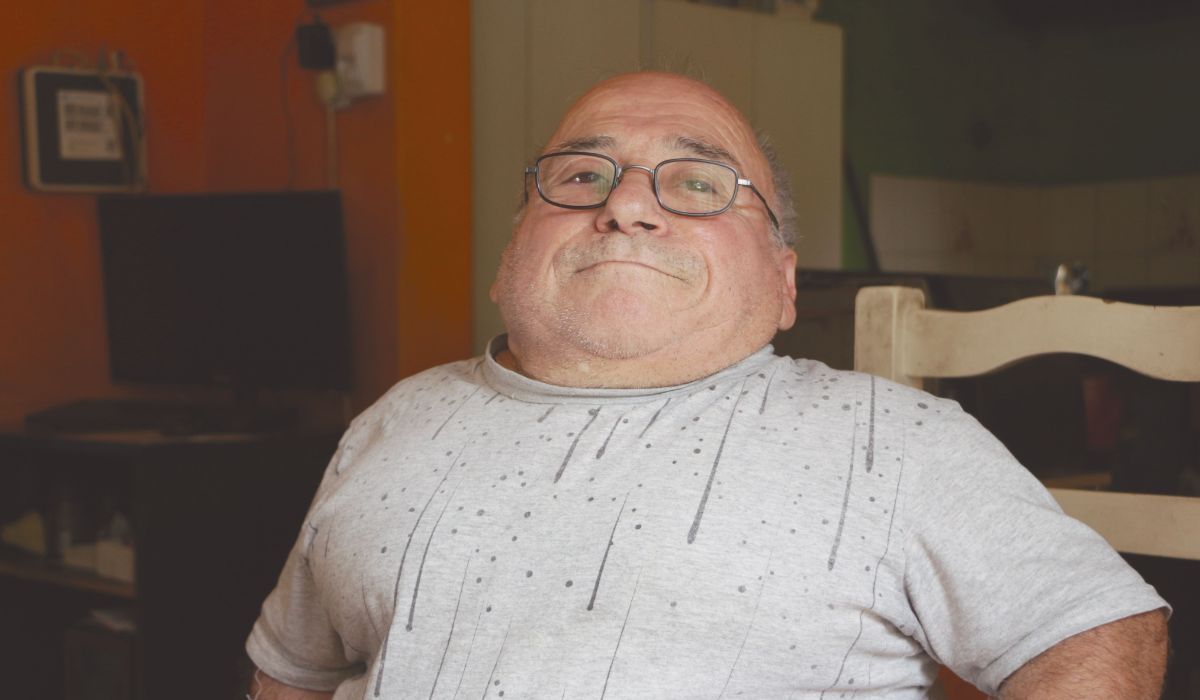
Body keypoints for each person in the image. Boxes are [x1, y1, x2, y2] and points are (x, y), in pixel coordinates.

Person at [245, 72, 1168, 699]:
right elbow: (292, 673)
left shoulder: (895, 439)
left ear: (784, 282)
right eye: (581, 174)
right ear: (509, 258)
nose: (625, 204)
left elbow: (1094, 631)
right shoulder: (395, 417)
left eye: (696, 184)